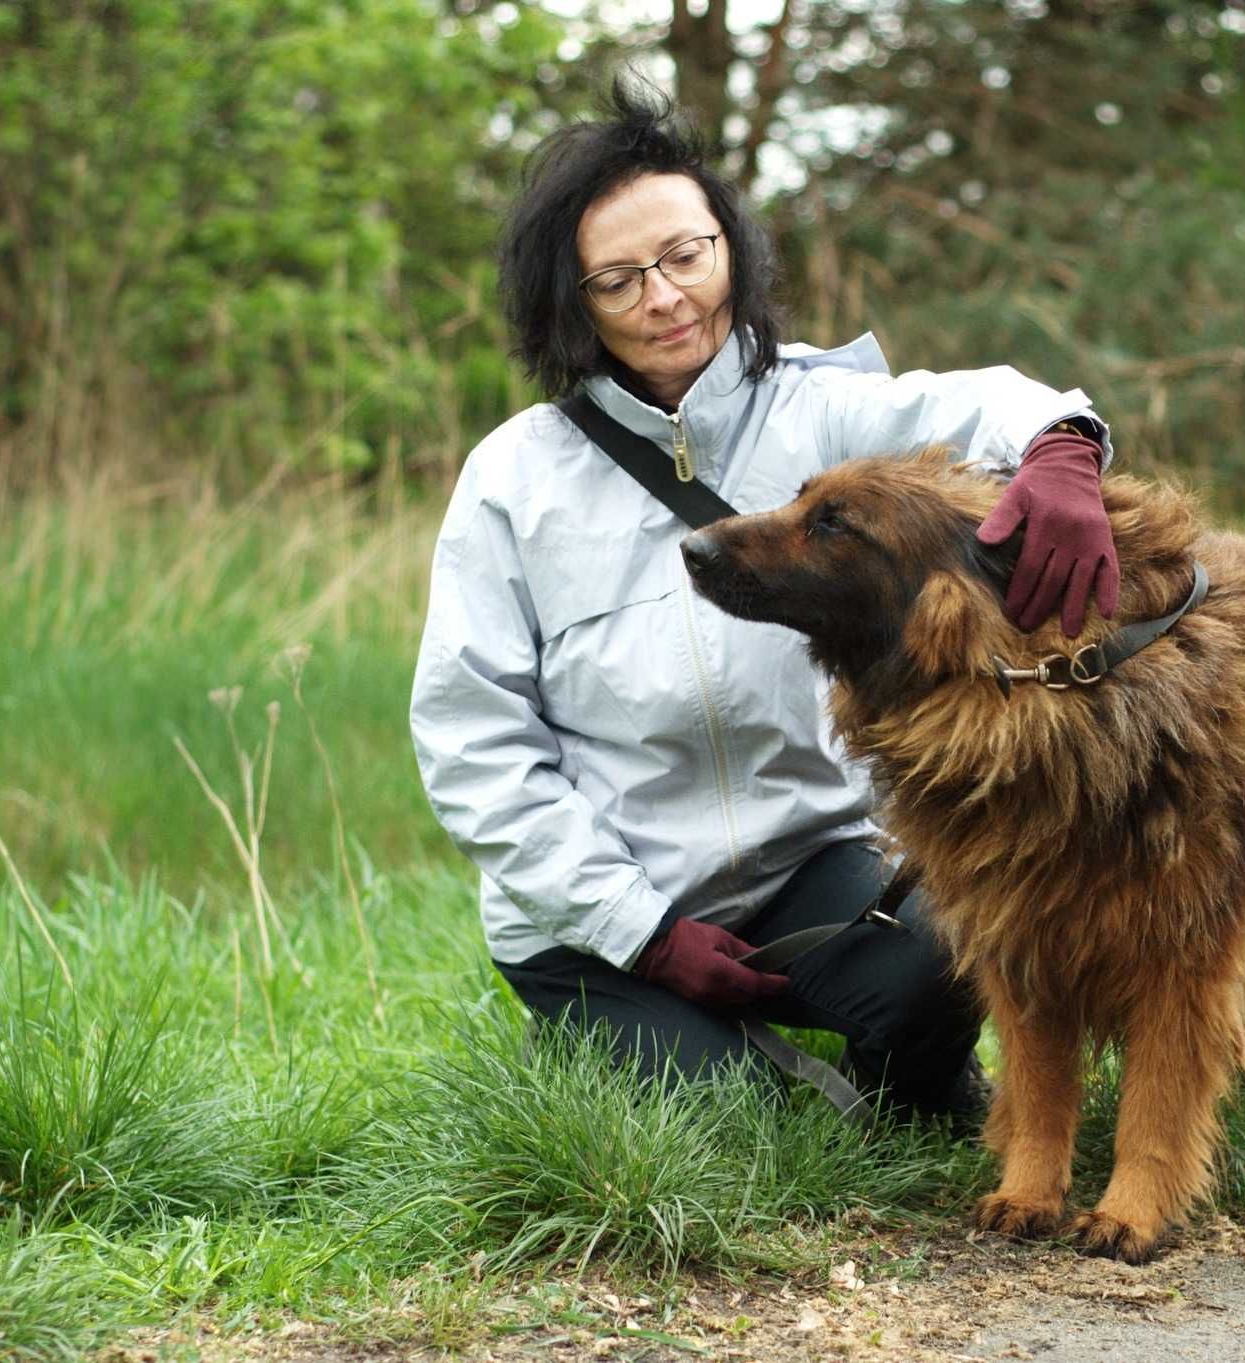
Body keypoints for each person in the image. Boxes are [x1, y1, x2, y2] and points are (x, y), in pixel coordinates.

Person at [408, 81, 1119, 1123]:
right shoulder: (511, 481)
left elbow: (989, 403)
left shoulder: (825, 410)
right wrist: (640, 929)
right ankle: (614, 1028)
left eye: (686, 255)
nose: (665, 299)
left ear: (727, 245)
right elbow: (473, 745)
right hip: (598, 911)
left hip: (814, 868)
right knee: (734, 1127)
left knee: (945, 967)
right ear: (571, 303)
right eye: (618, 279)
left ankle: (916, 1087)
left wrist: (1063, 446)